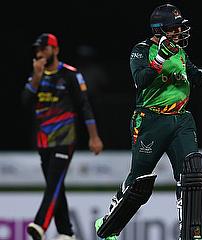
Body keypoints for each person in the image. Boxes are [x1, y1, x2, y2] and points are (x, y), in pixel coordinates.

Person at [94, 3, 202, 240]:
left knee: (192, 172)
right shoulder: (141, 49)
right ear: (161, 30)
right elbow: (140, 80)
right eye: (175, 28)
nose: (180, 32)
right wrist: (159, 58)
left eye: (180, 28)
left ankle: (190, 232)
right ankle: (108, 225)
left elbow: (194, 76)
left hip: (181, 120)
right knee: (138, 182)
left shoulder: (179, 52)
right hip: (150, 121)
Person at [21, 33, 104, 240]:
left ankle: (40, 224)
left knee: (53, 183)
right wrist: (37, 77)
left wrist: (94, 137)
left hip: (65, 138)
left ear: (55, 50)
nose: (40, 53)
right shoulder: (36, 74)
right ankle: (66, 232)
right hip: (43, 140)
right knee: (56, 184)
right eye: (38, 50)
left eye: (44, 49)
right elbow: (25, 102)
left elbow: (85, 106)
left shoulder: (70, 74)